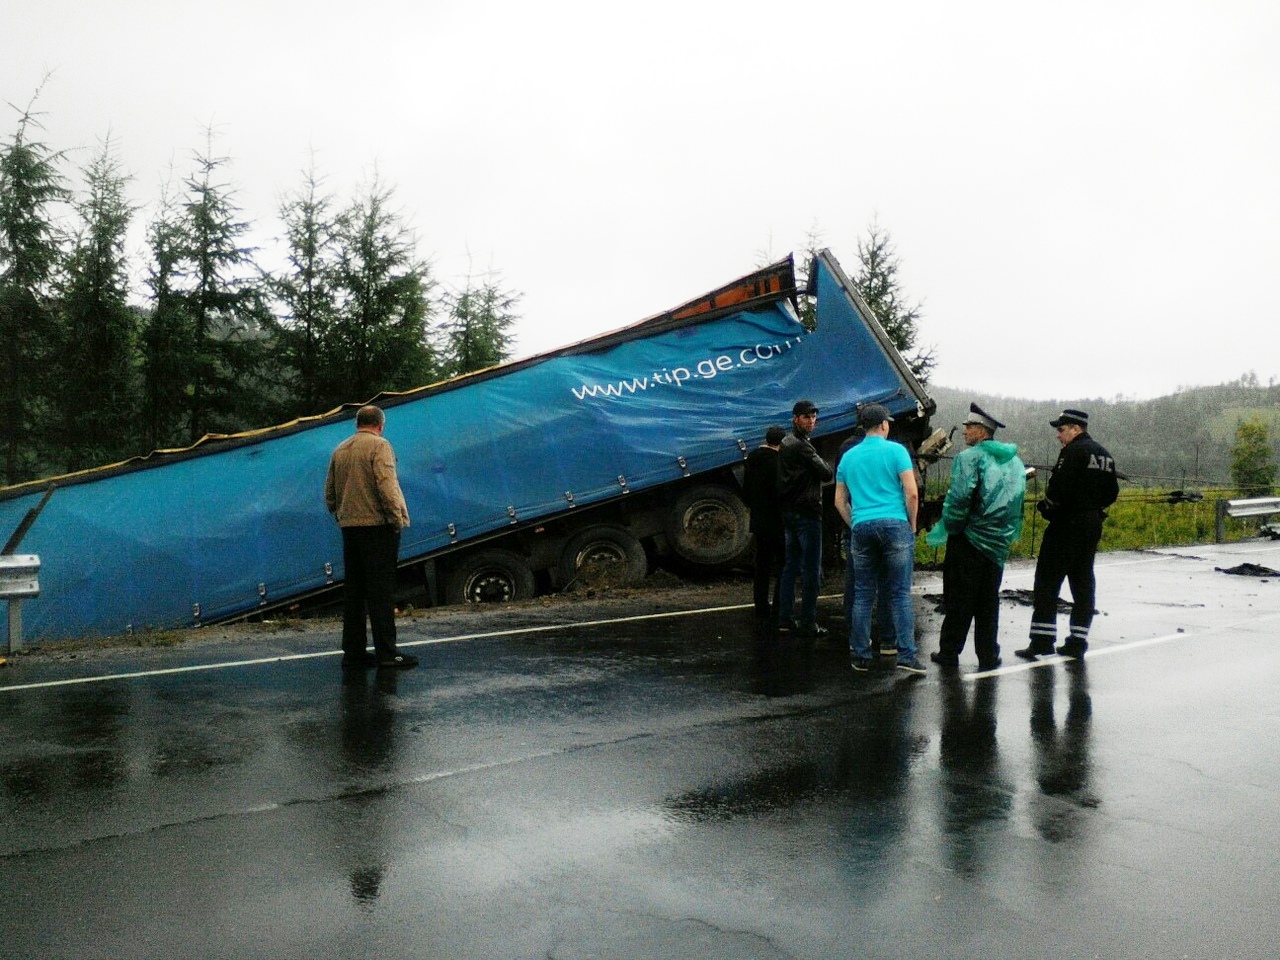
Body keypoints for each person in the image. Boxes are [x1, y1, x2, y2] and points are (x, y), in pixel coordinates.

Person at [927, 403, 1027, 671]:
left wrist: (953, 526)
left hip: (969, 539)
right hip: (998, 542)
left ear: (981, 432)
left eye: (969, 427)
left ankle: (949, 652)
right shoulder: (1015, 462)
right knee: (988, 600)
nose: (964, 432)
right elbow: (1017, 501)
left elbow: (959, 498)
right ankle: (988, 654)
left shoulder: (969, 458)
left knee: (960, 599)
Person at [1015, 408, 1118, 662]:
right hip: (1092, 523)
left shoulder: (1072, 452)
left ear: (1075, 428)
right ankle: (1077, 641)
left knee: (1047, 581)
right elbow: (1112, 493)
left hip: (1066, 524)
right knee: (1083, 582)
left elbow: (1058, 487)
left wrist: (1046, 507)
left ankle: (1041, 641)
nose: (1058, 436)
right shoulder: (1104, 454)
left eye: (1061, 430)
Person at [324, 404, 418, 670]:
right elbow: (386, 485)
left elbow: (329, 494)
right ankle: (387, 653)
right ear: (380, 424)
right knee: (380, 592)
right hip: (377, 527)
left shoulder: (340, 449)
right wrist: (396, 519)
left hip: (350, 528)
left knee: (354, 593)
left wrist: (343, 514)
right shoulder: (380, 446)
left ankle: (353, 653)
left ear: (358, 423)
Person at [834, 403, 925, 675]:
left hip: (862, 526)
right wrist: (911, 524)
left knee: (862, 594)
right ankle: (906, 655)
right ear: (884, 425)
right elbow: (911, 493)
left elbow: (839, 501)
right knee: (899, 594)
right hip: (895, 523)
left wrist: (856, 522)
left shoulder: (848, 457)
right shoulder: (897, 451)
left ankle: (860, 654)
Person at [776, 400, 833, 637]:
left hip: (789, 512)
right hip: (808, 513)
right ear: (795, 419)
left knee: (790, 567)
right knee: (811, 569)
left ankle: (785, 618)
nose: (812, 422)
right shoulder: (803, 447)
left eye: (814, 417)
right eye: (807, 417)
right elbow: (826, 473)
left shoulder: (785, 442)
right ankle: (808, 621)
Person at [743, 425, 787, 620]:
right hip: (777, 519)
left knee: (762, 564)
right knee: (783, 563)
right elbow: (780, 491)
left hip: (759, 520)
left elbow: (746, 492)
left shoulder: (752, 459)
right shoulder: (777, 461)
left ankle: (760, 604)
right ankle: (779, 604)